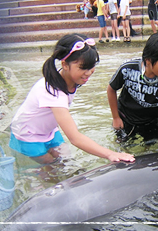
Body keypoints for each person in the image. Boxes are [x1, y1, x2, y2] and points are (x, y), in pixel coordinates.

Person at [9, 33, 135, 165]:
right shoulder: (53, 92)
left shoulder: (69, 79)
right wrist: (111, 154)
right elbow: (75, 138)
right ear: (65, 65)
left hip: (49, 131)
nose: (89, 72)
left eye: (92, 66)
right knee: (52, 168)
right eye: (83, 68)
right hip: (27, 135)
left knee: (66, 161)